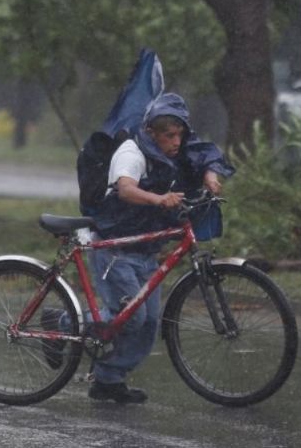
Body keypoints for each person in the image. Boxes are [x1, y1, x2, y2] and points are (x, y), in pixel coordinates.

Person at [76, 92, 234, 404]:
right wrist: (159, 199)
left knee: (148, 323)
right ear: (152, 133)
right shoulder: (131, 152)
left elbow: (205, 156)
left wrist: (211, 178)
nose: (176, 141)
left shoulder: (178, 148)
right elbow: (126, 189)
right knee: (128, 316)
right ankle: (64, 321)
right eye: (169, 135)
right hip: (116, 250)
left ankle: (108, 380)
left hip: (146, 250)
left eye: (180, 134)